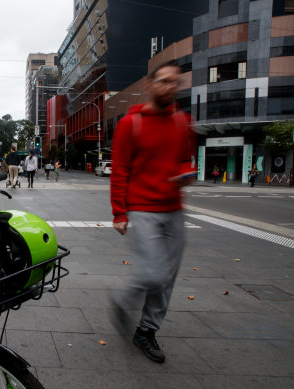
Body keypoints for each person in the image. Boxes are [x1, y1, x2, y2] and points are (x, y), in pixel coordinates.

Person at [110, 61, 197, 364]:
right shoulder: (130, 123)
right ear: (150, 85)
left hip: (174, 209)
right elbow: (119, 170)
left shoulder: (182, 121)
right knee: (153, 273)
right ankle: (123, 301)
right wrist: (119, 212)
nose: (170, 87)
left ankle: (146, 331)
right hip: (143, 208)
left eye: (175, 83)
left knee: (167, 277)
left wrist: (186, 173)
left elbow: (186, 159)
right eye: (164, 81)